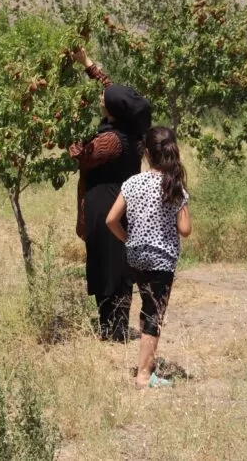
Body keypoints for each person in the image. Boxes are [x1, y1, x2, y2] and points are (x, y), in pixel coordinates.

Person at [69, 48, 152, 342]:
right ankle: (112, 326)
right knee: (116, 263)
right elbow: (112, 90)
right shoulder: (129, 125)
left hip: (106, 205)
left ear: (113, 111)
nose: (100, 99)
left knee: (108, 266)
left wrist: (66, 127)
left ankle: (113, 329)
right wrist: (87, 63)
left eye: (104, 101)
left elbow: (82, 156)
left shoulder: (111, 141)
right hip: (122, 203)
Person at [106, 126, 191, 389]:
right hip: (161, 260)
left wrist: (127, 239)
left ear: (146, 153)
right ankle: (143, 375)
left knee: (146, 306)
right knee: (155, 313)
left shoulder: (132, 183)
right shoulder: (173, 185)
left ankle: (148, 361)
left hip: (135, 257)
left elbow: (111, 219)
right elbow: (185, 230)